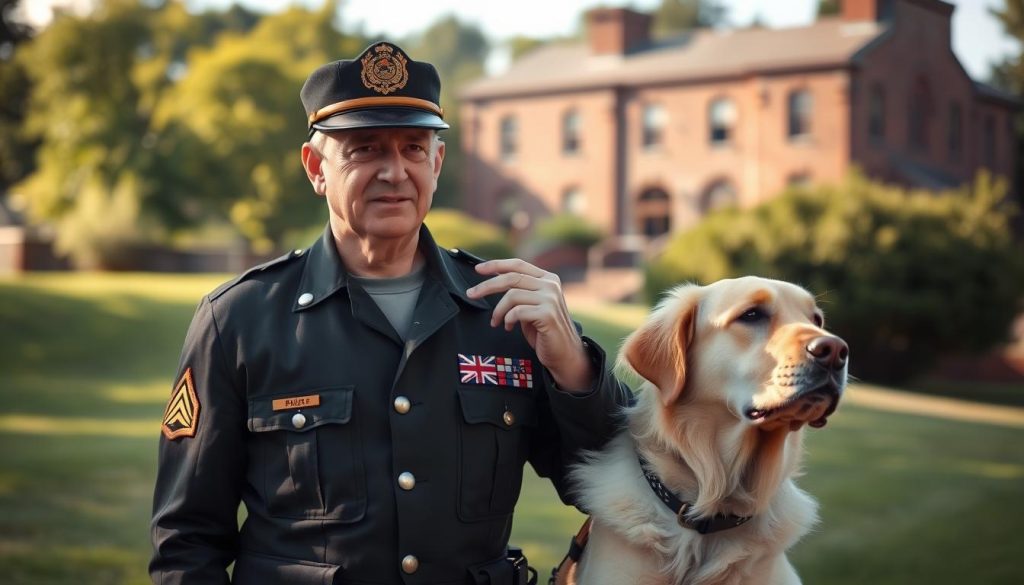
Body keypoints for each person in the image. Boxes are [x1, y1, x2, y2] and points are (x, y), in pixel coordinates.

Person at [149, 41, 631, 585]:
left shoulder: (508, 311)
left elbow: (620, 483)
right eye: (365, 149)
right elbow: (186, 542)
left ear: (438, 162)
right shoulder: (238, 321)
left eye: (413, 148)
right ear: (316, 167)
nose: (395, 171)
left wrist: (574, 370)